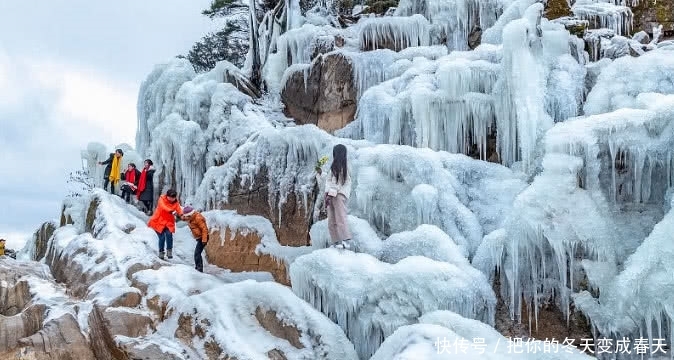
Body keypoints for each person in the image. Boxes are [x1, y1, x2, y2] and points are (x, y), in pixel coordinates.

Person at [317, 144, 352, 249]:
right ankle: (336, 242)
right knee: (331, 220)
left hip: (337, 195)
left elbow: (338, 182)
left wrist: (330, 194)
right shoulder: (336, 166)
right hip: (332, 195)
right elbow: (328, 180)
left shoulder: (341, 166)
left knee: (340, 217)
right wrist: (320, 173)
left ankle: (346, 240)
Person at [148, 189, 182, 260]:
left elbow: (179, 209)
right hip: (158, 221)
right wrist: (171, 211)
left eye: (174, 197)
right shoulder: (162, 199)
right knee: (162, 237)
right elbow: (163, 207)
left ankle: (169, 251)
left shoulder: (176, 203)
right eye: (170, 197)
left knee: (169, 235)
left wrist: (181, 215)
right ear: (167, 196)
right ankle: (161, 252)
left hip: (168, 222)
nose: (172, 199)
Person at [181, 206, 209, 272]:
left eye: (187, 217)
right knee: (197, 253)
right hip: (199, 237)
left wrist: (204, 240)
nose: (186, 218)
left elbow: (204, 229)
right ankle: (198, 267)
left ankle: (199, 269)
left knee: (197, 253)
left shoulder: (198, 218)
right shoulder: (191, 217)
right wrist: (179, 216)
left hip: (203, 237)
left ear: (190, 215)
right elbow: (185, 218)